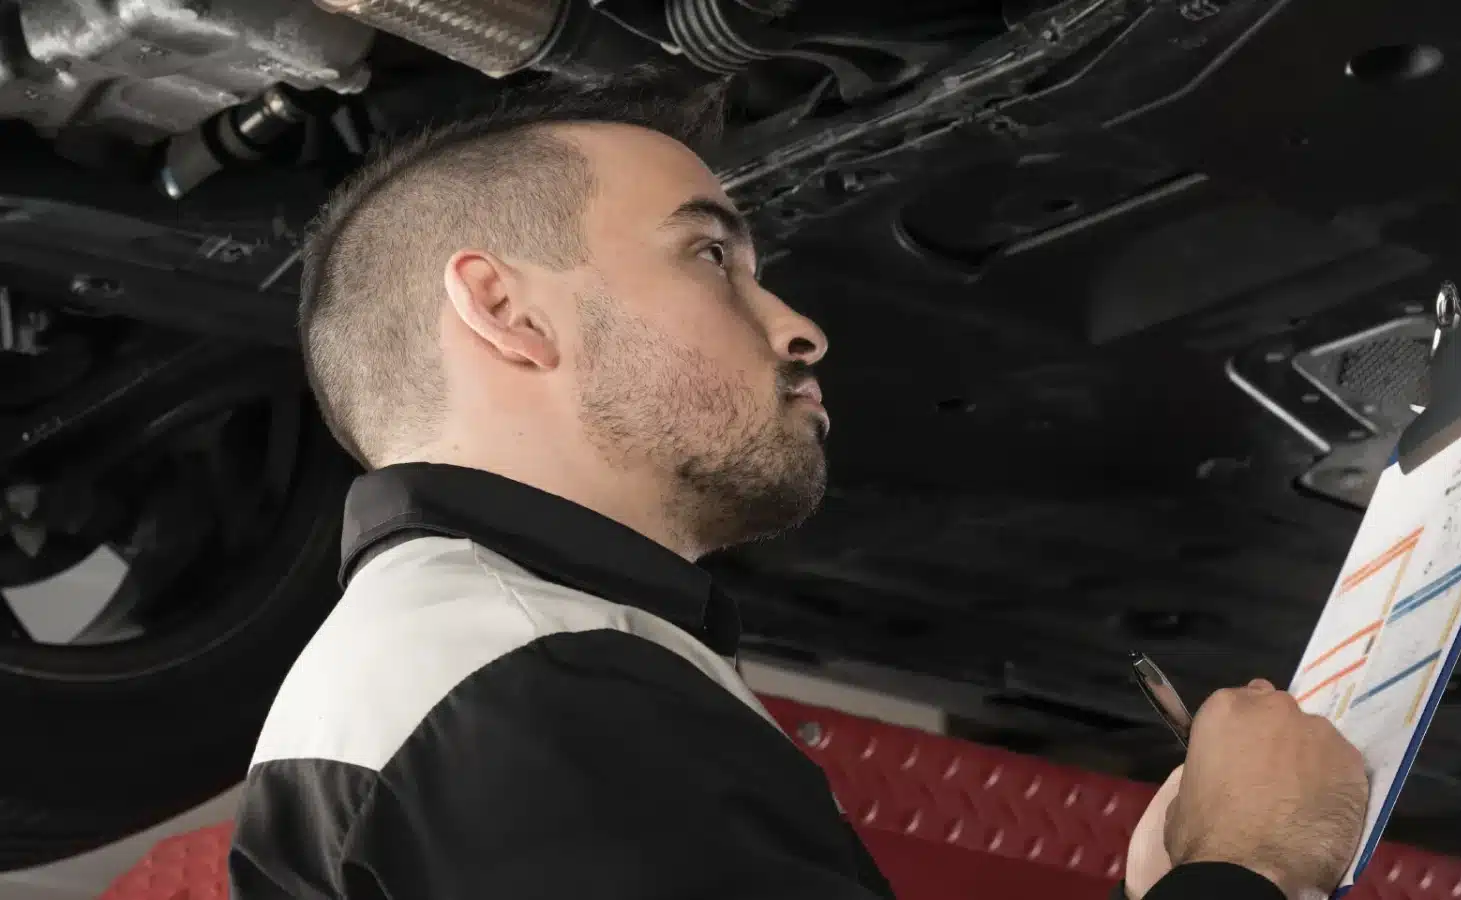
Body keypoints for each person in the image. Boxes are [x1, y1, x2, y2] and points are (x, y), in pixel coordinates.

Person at [228, 82, 1371, 900]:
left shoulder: (469, 670)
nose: (799, 329)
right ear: (508, 312)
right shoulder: (525, 682)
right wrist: (1256, 863)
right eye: (710, 258)